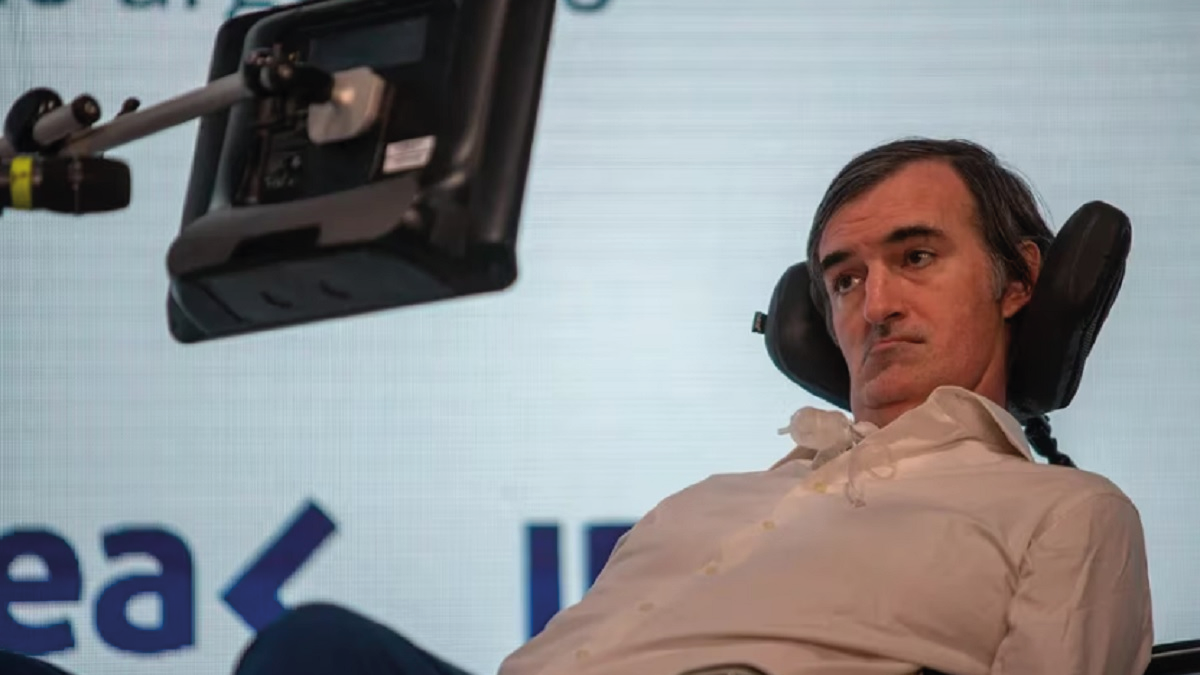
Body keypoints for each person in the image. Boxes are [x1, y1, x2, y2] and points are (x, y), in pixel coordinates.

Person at [0, 138, 1154, 675]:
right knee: (309, 645)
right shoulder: (707, 503)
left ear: (1019, 282)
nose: (875, 302)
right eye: (843, 280)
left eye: (916, 257)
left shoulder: (1065, 515)